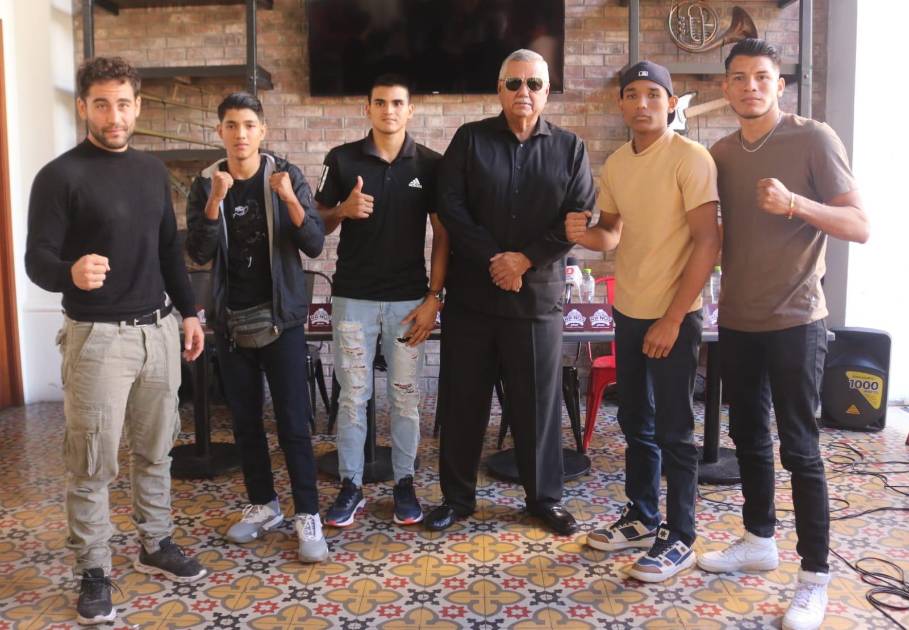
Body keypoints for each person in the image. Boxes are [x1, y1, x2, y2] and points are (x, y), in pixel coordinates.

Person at [25, 56, 207, 626]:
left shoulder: (152, 172)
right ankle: (94, 569)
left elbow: (169, 250)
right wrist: (69, 273)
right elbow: (36, 259)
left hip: (158, 332)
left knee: (155, 451)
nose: (114, 116)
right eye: (101, 104)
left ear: (138, 107)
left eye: (123, 104)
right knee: (92, 463)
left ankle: (156, 542)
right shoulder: (59, 176)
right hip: (97, 341)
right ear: (83, 107)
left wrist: (190, 313)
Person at [695, 39, 869, 630]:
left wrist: (796, 203)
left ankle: (814, 577)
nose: (751, 87)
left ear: (779, 84)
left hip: (797, 319)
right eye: (739, 78)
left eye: (762, 77)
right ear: (726, 87)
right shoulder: (720, 152)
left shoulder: (814, 138)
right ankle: (758, 539)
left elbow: (859, 224)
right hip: (737, 320)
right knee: (747, 438)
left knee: (799, 448)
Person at [426, 49, 595, 536]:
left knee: (537, 407)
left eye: (534, 84)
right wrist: (496, 259)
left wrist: (524, 260)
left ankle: (544, 500)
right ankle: (457, 498)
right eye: (514, 83)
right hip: (473, 300)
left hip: (537, 300)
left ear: (547, 91)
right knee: (463, 402)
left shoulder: (570, 148)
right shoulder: (470, 139)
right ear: (499, 89)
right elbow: (450, 207)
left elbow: (579, 216)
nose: (524, 92)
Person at [565, 61, 720, 581]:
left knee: (675, 430)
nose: (642, 103)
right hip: (628, 312)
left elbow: (709, 241)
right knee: (635, 422)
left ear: (671, 104)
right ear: (621, 104)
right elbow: (611, 233)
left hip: (674, 315)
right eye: (632, 94)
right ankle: (642, 516)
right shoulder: (616, 163)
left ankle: (681, 536)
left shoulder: (690, 158)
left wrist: (673, 319)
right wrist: (580, 233)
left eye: (653, 94)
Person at [185, 93, 328, 562]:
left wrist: (288, 198)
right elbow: (199, 253)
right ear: (220, 131)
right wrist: (215, 200)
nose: (240, 134)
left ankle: (308, 514)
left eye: (249, 125)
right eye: (231, 125)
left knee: (293, 424)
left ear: (262, 131)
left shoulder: (286, 174)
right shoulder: (206, 183)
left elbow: (314, 243)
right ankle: (264, 504)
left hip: (281, 319)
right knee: (245, 423)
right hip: (231, 322)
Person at [315, 74, 448, 527]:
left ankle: (404, 484)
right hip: (353, 298)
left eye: (397, 103)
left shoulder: (430, 164)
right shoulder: (342, 158)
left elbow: (443, 235)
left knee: (406, 397)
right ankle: (351, 486)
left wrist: (434, 296)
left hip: (409, 301)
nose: (388, 110)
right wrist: (342, 210)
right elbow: (317, 223)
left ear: (410, 110)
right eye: (380, 102)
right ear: (367, 108)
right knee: (353, 396)